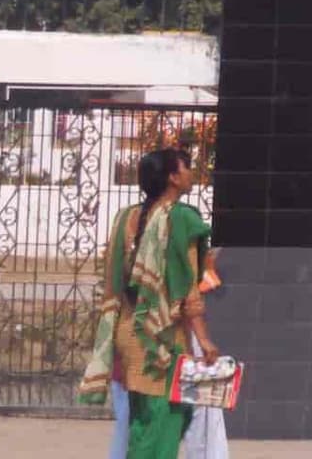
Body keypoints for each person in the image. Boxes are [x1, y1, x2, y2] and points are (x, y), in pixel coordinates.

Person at [80, 148, 218, 459]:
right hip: (162, 339)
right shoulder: (182, 219)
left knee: (143, 421)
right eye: (186, 167)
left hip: (129, 333)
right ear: (173, 177)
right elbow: (188, 291)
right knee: (168, 418)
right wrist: (204, 340)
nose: (191, 173)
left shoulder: (125, 218)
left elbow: (114, 279)